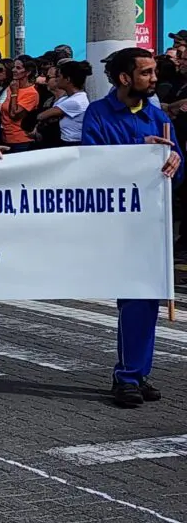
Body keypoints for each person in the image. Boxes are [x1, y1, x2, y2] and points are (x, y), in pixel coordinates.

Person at [80, 48, 183, 408]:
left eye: (154, 72)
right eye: (147, 73)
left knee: (147, 298)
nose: (155, 79)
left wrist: (172, 159)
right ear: (125, 78)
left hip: (151, 224)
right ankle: (127, 375)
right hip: (118, 224)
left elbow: (178, 169)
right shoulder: (98, 114)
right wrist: (138, 151)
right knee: (134, 298)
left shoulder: (157, 116)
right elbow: (91, 164)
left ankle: (137, 372)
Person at [36, 60, 92, 146]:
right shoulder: (65, 99)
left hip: (74, 144)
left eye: (58, 76)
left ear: (68, 79)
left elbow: (41, 116)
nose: (56, 79)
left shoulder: (76, 101)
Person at [2, 56, 40, 152]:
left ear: (28, 72)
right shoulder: (12, 86)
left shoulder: (31, 93)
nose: (14, 70)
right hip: (6, 139)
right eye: (14, 67)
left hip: (21, 142)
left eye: (18, 68)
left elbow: (14, 114)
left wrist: (14, 93)